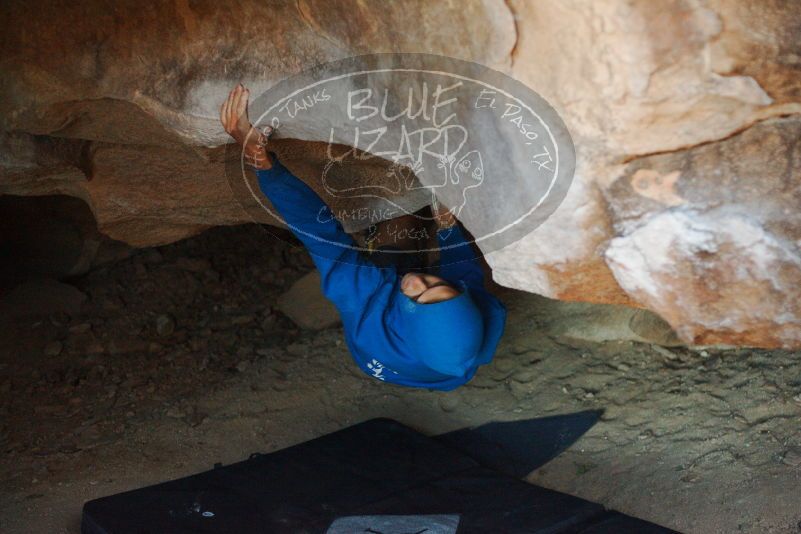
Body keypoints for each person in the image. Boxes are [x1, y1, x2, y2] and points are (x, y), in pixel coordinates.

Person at [221, 84, 506, 391]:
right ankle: (427, 265)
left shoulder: (364, 302)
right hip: (428, 349)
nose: (418, 281)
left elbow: (319, 233)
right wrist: (448, 230)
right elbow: (464, 274)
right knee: (435, 251)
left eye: (417, 297)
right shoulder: (472, 317)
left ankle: (380, 243)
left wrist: (263, 164)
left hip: (379, 340)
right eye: (438, 285)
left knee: (399, 225)